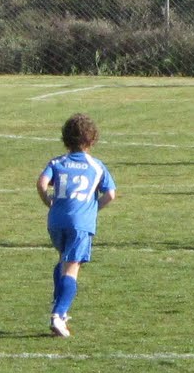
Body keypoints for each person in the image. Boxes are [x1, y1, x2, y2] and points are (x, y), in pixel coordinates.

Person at [37, 113, 117, 338]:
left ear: (65, 139)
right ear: (92, 140)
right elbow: (110, 194)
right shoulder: (96, 166)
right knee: (72, 268)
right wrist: (93, 208)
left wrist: (48, 201)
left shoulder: (57, 162)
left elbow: (42, 183)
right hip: (80, 224)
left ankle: (59, 303)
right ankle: (58, 314)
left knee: (63, 260)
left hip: (55, 221)